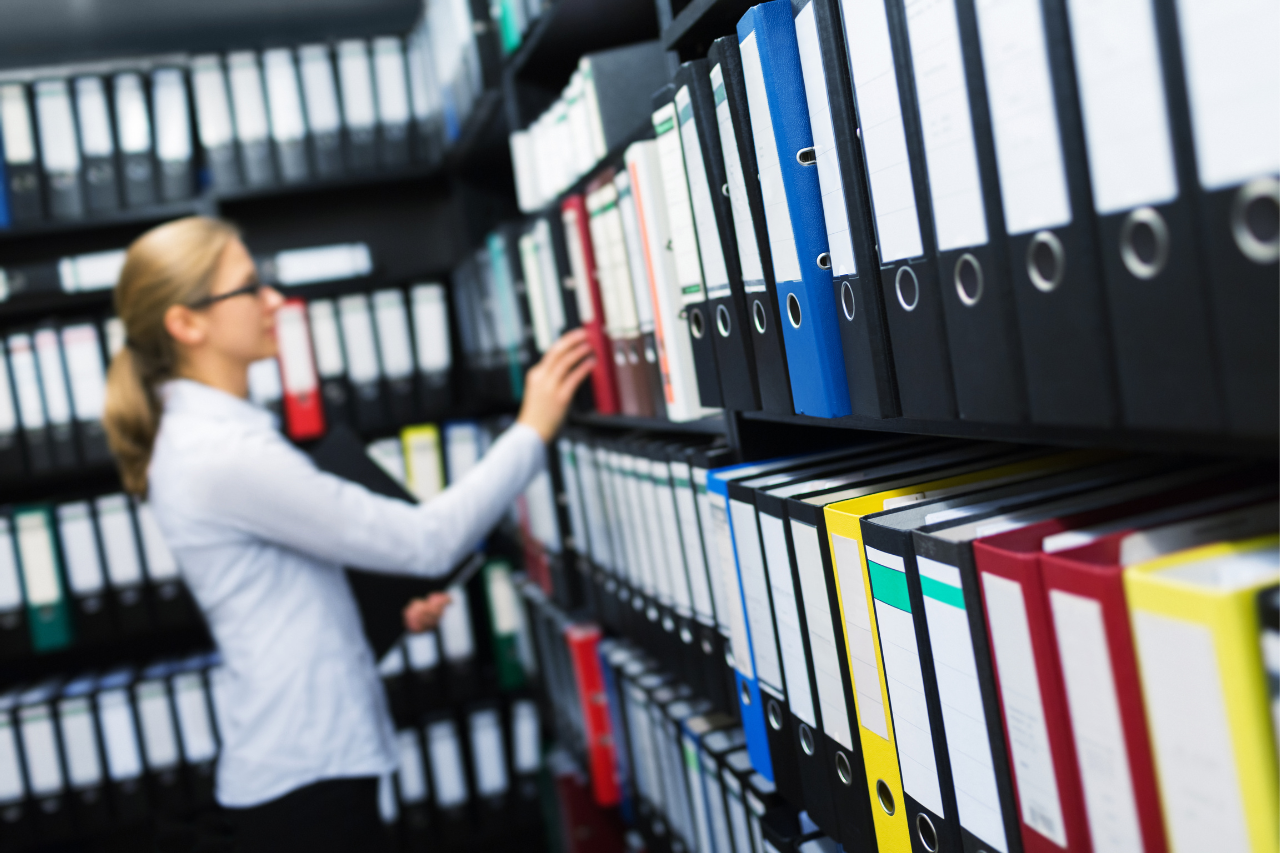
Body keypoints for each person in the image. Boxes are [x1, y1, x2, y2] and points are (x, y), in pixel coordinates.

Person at [102, 216, 595, 851]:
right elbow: (428, 542)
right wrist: (532, 429)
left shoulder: (212, 439)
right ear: (186, 323)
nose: (275, 301)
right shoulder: (219, 452)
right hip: (305, 784)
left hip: (305, 769)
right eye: (250, 288)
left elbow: (275, 592)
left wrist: (377, 613)